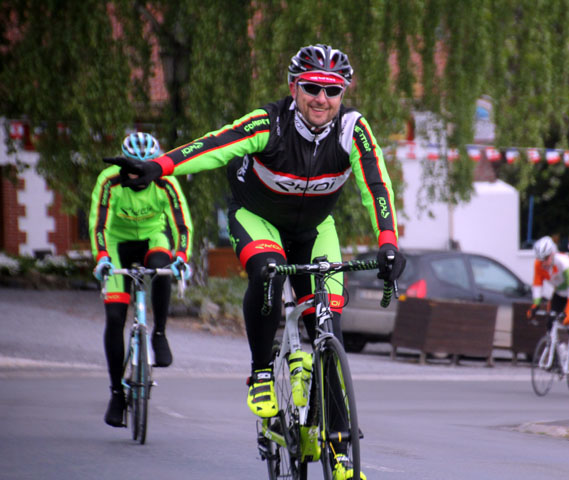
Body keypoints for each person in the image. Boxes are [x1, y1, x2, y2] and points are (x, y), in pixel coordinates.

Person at [106, 44, 405, 479]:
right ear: (293, 87)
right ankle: (262, 371)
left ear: (343, 94)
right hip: (258, 217)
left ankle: (339, 451)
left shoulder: (352, 130)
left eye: (332, 90)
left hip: (315, 228)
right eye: (311, 87)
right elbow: (217, 144)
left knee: (329, 330)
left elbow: (375, 183)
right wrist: (161, 166)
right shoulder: (270, 123)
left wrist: (389, 242)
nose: (321, 98)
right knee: (266, 273)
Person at [89, 132, 193, 428]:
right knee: (114, 316)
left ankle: (159, 333)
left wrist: (183, 256)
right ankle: (116, 394)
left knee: (163, 266)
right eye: (134, 168)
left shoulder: (165, 181)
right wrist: (102, 258)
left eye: (146, 168)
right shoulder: (109, 181)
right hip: (116, 241)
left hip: (152, 237)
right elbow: (98, 222)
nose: (139, 175)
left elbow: (182, 222)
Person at [527, 236, 569, 372]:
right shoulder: (539, 264)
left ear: (553, 254)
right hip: (560, 292)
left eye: (546, 259)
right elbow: (537, 285)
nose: (544, 263)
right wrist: (535, 305)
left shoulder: (564, 263)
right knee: (550, 321)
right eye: (540, 260)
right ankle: (555, 357)